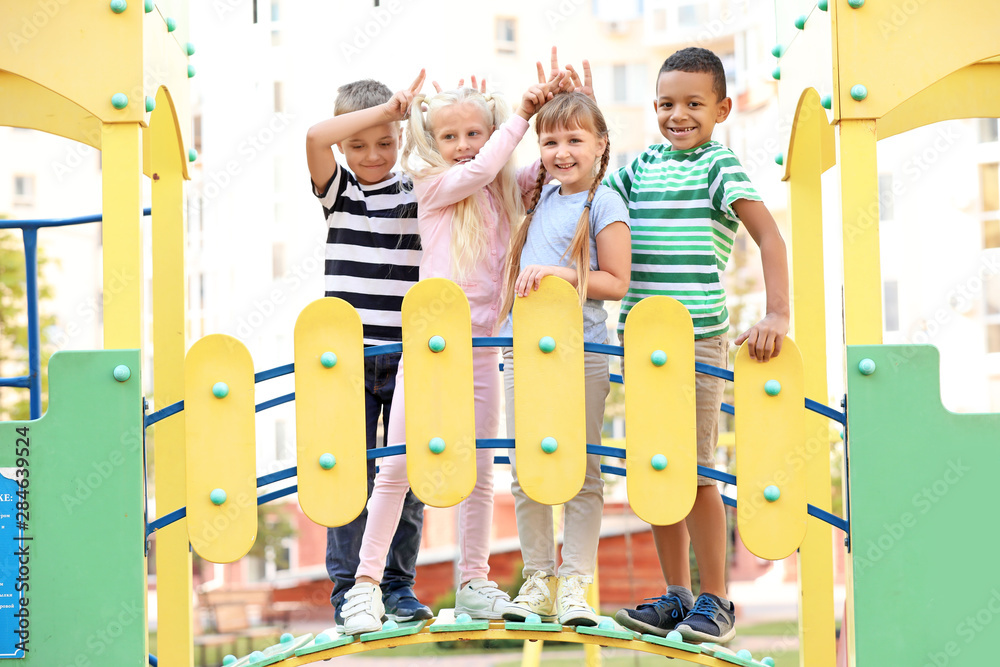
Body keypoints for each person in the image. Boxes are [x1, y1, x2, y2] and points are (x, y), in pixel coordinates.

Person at [340, 73, 566, 635]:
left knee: (481, 467)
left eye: (474, 132)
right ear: (432, 145)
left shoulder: (504, 187)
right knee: (395, 468)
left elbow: (554, 171)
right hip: (434, 347)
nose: (463, 144)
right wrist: (522, 115)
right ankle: (365, 585)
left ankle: (472, 582)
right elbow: (485, 166)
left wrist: (558, 109)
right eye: (450, 136)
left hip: (486, 347)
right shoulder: (432, 186)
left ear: (489, 131)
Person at [606, 47, 790, 643]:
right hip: (640, 337)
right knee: (657, 468)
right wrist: (570, 115)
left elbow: (768, 236)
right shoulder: (638, 166)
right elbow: (590, 201)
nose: (677, 115)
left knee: (699, 473)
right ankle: (676, 594)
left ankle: (716, 598)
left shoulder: (719, 166)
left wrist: (778, 312)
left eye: (692, 104)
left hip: (696, 338)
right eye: (666, 104)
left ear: (721, 108)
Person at [497, 91, 631, 627]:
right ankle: (536, 580)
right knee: (524, 467)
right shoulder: (541, 199)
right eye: (550, 141)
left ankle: (574, 581)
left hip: (582, 354)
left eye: (575, 139)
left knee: (582, 471)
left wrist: (562, 274)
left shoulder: (604, 202)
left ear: (601, 145)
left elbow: (616, 282)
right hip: (524, 351)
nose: (562, 151)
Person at [305, 72, 433, 628]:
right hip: (348, 360)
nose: (374, 154)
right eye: (359, 144)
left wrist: (407, 118)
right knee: (347, 472)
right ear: (343, 145)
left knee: (404, 474)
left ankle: (398, 586)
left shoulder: (418, 190)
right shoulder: (340, 190)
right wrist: (387, 109)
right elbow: (313, 136)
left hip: (409, 356)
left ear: (401, 138)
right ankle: (347, 590)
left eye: (385, 141)